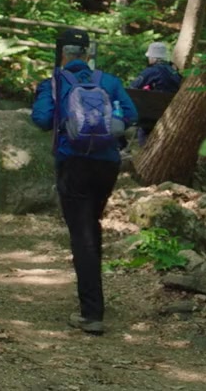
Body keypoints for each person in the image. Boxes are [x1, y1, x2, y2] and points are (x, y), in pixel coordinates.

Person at [31, 30, 138, 335]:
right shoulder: (109, 81)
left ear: (63, 55)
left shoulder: (55, 82)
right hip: (107, 164)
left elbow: (41, 119)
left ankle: (92, 313)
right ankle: (95, 299)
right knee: (92, 225)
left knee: (82, 234)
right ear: (88, 54)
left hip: (73, 162)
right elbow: (131, 114)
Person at [129, 42, 182, 147]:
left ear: (153, 57)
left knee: (142, 131)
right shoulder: (174, 71)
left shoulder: (151, 71)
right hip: (171, 113)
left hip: (153, 114)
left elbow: (133, 87)